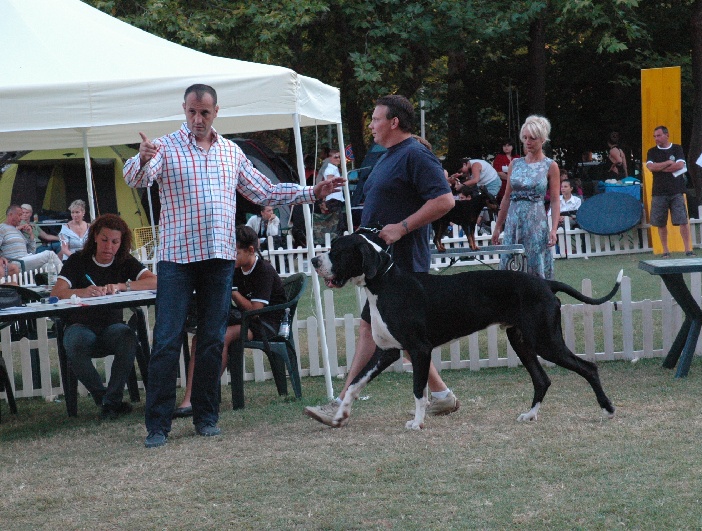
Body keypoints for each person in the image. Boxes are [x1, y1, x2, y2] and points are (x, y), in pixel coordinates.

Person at [123, 83, 344, 448]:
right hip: (177, 259)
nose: (197, 119)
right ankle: (158, 426)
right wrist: (142, 157)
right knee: (166, 340)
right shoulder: (164, 147)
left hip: (219, 259)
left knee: (211, 340)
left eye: (204, 112)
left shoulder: (230, 152)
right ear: (184, 109)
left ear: (216, 112)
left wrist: (311, 192)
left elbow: (265, 191)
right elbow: (137, 179)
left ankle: (206, 417)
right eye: (192, 111)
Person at [303, 94, 457, 427]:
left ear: (394, 122)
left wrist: (402, 228)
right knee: (395, 335)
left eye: (375, 119)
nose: (370, 125)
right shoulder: (389, 156)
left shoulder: (416, 155)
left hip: (401, 263)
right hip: (380, 264)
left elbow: (445, 201)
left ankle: (341, 403)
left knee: (371, 330)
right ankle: (442, 396)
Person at [50, 214, 157, 419]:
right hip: (81, 325)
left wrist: (120, 286)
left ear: (121, 243)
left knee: (127, 337)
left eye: (115, 242)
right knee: (73, 341)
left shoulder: (124, 261)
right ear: (95, 238)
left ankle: (112, 400)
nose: (109, 246)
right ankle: (104, 398)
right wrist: (83, 291)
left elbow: (155, 281)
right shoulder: (78, 260)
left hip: (112, 326)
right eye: (104, 240)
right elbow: (56, 292)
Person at [174, 225, 286, 418]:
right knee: (200, 338)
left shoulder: (263, 270)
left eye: (235, 252)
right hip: (245, 321)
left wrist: (232, 290)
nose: (230, 257)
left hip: (266, 324)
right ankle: (189, 399)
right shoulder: (237, 269)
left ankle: (203, 396)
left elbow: (256, 312)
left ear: (251, 250)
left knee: (222, 336)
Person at [491, 115, 560, 279]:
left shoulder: (550, 165)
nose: (527, 142)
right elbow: (506, 197)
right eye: (525, 138)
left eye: (532, 138)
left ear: (543, 139)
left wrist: (554, 229)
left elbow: (556, 200)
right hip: (513, 220)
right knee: (509, 265)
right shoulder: (516, 163)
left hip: (536, 220)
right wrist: (498, 226)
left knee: (534, 264)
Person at [645, 126, 696, 257]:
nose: (656, 138)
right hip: (658, 192)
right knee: (660, 222)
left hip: (676, 190)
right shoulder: (652, 151)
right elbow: (650, 167)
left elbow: (679, 165)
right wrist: (668, 162)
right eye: (655, 136)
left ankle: (687, 249)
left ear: (667, 135)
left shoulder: (677, 148)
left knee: (682, 221)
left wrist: (660, 167)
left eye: (659, 135)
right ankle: (665, 250)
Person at [0, 205, 63, 271]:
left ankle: (59, 280)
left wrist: (31, 234)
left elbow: (32, 251)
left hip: (26, 259)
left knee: (49, 267)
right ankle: (66, 277)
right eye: (19, 215)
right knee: (49, 254)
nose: (21, 218)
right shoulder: (2, 228)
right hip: (16, 262)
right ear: (10, 215)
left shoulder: (17, 231)